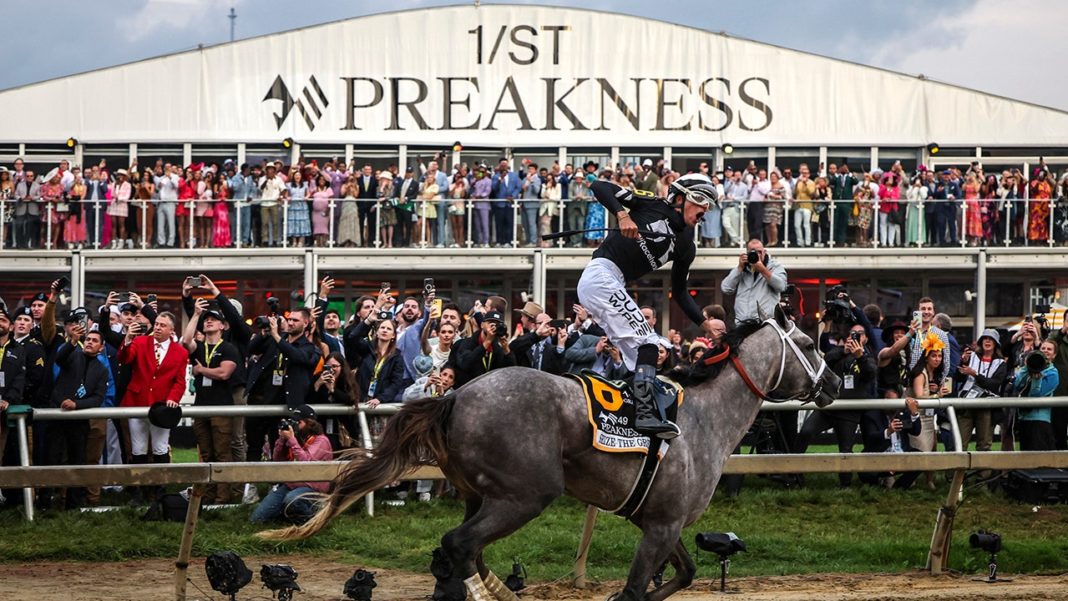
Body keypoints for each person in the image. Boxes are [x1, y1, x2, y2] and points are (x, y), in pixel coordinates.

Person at [577, 173, 718, 439]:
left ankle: (625, 411)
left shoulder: (687, 245)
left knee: (647, 350)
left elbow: (680, 292)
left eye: (709, 206)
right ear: (679, 198)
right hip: (601, 275)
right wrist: (622, 215)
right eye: (701, 202)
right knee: (649, 344)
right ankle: (644, 415)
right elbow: (599, 186)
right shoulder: (653, 204)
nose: (705, 211)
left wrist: (705, 324)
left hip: (610, 283)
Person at [118, 312, 189, 488]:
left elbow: (179, 382)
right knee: (138, 448)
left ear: (171, 330)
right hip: (137, 401)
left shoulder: (180, 352)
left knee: (160, 448)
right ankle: (138, 489)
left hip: (161, 407)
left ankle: (159, 489)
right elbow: (125, 358)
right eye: (156, 324)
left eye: (162, 325)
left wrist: (173, 399)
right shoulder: (140, 342)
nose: (157, 327)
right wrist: (127, 339)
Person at [180, 299, 240, 504]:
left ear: (223, 326)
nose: (209, 322)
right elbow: (185, 341)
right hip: (201, 407)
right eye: (207, 320)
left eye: (214, 320)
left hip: (221, 407)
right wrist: (196, 315)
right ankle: (207, 494)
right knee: (205, 453)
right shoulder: (200, 347)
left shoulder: (229, 348)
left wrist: (201, 370)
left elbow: (224, 373)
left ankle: (223, 497)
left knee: (222, 452)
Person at [45, 329, 109, 509]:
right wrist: (72, 341)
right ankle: (45, 502)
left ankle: (73, 504)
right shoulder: (72, 355)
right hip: (57, 415)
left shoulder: (102, 370)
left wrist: (77, 405)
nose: (89, 342)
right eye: (87, 339)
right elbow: (59, 358)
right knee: (51, 457)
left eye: (94, 340)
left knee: (77, 459)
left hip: (79, 420)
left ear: (101, 347)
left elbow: (98, 398)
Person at [250, 404, 334, 524]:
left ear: (310, 423)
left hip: (312, 487)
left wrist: (292, 440)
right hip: (290, 485)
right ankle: (289, 515)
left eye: (298, 422)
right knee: (257, 519)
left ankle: (316, 519)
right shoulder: (295, 438)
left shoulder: (321, 440)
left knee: (292, 500)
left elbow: (306, 462)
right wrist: (282, 440)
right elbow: (277, 460)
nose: (294, 426)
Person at [954, 330, 1007, 454]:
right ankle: (956, 473)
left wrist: (975, 374)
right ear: (980, 341)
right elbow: (958, 377)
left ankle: (983, 473)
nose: (987, 341)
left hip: (986, 406)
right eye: (985, 338)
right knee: (960, 443)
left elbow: (994, 384)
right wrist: (963, 361)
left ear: (996, 344)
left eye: (991, 339)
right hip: (967, 404)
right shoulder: (971, 357)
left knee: (984, 445)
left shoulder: (1001, 363)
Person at [720, 238, 788, 326]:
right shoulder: (742, 268)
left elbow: (781, 286)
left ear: (764, 252)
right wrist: (739, 268)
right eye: (753, 252)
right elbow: (726, 289)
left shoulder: (775, 267)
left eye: (759, 252)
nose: (757, 255)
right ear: (747, 253)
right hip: (743, 324)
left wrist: (763, 270)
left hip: (766, 324)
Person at [447, 311, 516, 387]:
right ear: (482, 325)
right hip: (466, 391)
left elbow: (510, 372)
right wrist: (487, 342)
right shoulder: (466, 343)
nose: (493, 327)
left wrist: (506, 349)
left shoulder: (497, 349)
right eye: (490, 323)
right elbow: (465, 364)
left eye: (497, 324)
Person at [1013, 343, 1059, 451]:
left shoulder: (1053, 373)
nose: (1046, 350)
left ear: (1054, 355)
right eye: (1043, 348)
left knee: (1039, 459)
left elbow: (1036, 396)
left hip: (1039, 420)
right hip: (1024, 419)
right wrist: (1027, 366)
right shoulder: (1029, 368)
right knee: (1026, 458)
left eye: (1049, 349)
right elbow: (1017, 384)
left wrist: (1036, 378)